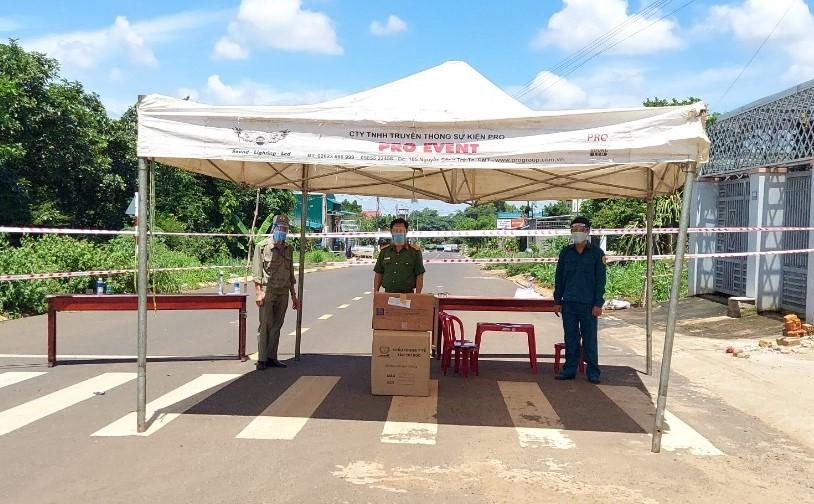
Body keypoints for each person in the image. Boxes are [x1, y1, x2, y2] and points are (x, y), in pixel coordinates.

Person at [553, 216, 607, 384]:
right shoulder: (565, 252)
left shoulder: (597, 254)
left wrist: (598, 303)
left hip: (589, 304)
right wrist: (557, 301)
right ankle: (569, 370)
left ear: (587, 231)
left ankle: (593, 372)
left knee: (589, 339)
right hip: (569, 302)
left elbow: (601, 280)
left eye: (580, 229)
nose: (576, 232)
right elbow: (559, 278)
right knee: (571, 338)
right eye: (573, 229)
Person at [252, 214, 299, 371]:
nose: (283, 231)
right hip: (268, 290)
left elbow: (290, 274)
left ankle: (272, 357)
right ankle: (262, 359)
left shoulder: (288, 249)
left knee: (277, 325)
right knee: (265, 324)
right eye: (280, 228)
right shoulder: (262, 247)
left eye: (285, 229)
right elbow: (257, 273)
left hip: (283, 291)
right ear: (274, 228)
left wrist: (294, 296)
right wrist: (258, 292)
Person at [373, 218, 426, 294]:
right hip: (388, 294)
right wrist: (376, 292)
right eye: (395, 231)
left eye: (401, 231)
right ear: (391, 232)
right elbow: (378, 273)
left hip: (407, 295)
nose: (398, 233)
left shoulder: (415, 252)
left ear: (406, 231)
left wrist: (417, 296)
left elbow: (419, 275)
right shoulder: (384, 252)